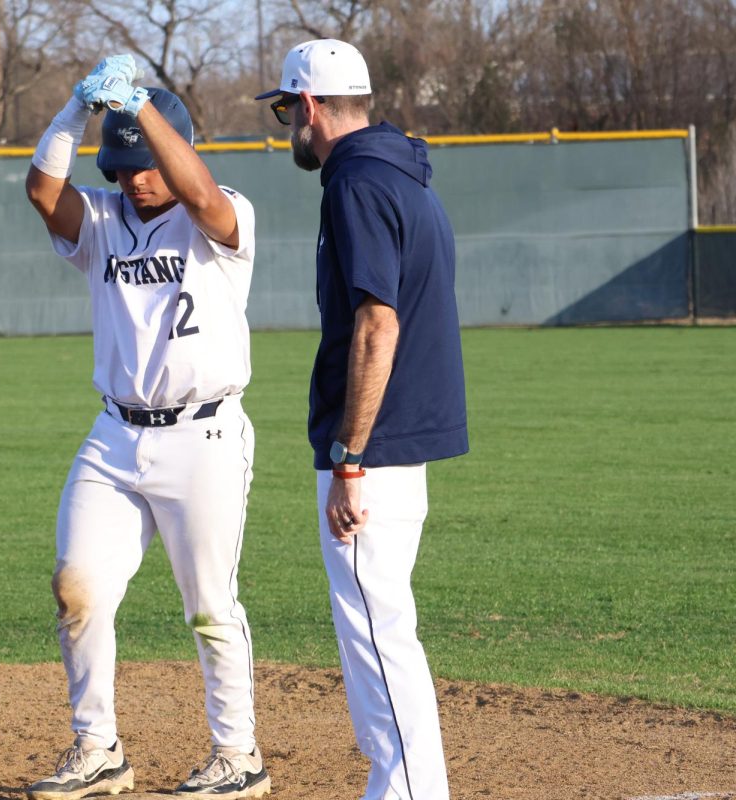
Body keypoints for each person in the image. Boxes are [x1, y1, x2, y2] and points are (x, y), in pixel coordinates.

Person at [23, 55, 270, 800]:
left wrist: (139, 108)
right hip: (116, 437)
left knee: (209, 607)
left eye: (145, 162)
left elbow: (195, 188)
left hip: (205, 437)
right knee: (79, 589)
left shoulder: (223, 211)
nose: (134, 178)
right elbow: (43, 189)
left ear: (172, 148)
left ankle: (239, 756)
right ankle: (97, 748)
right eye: (122, 164)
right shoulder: (100, 220)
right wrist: (75, 111)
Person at [255, 40, 469, 800]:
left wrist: (350, 458)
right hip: (396, 447)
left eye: (285, 109)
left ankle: (408, 792)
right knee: (386, 632)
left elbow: (379, 325)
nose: (286, 126)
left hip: (371, 457)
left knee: (378, 640)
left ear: (310, 107)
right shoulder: (402, 174)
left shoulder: (356, 183)